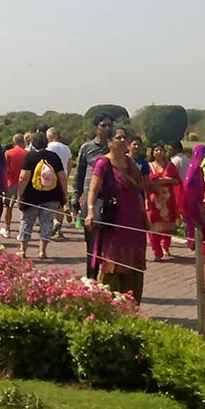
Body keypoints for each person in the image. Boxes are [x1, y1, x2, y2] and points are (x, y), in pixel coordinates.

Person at [84, 126, 148, 302]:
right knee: (113, 262)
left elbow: (137, 191)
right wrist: (90, 212)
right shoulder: (103, 163)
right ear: (109, 142)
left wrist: (144, 215)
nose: (122, 140)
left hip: (133, 221)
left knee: (133, 263)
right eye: (118, 138)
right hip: (114, 221)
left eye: (124, 137)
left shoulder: (130, 163)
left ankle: (131, 304)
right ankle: (108, 303)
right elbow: (93, 190)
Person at [73, 114, 113, 280]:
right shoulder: (87, 148)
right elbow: (79, 174)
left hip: (110, 202)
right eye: (104, 125)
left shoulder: (114, 148)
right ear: (96, 128)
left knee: (110, 245)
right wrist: (75, 198)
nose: (107, 128)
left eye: (110, 125)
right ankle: (91, 280)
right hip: (90, 201)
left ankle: (107, 280)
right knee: (92, 245)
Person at [17, 132, 68, 259]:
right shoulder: (54, 157)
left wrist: (20, 195)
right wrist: (64, 194)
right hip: (52, 195)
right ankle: (42, 251)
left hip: (32, 196)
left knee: (27, 221)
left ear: (33, 144)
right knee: (47, 222)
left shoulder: (30, 156)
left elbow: (23, 177)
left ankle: (23, 250)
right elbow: (62, 177)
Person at [146, 143, 182, 261]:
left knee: (167, 226)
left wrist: (167, 180)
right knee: (152, 225)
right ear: (152, 153)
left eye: (161, 150)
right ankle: (157, 251)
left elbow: (177, 181)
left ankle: (165, 246)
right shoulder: (148, 166)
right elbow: (145, 181)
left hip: (168, 200)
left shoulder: (170, 166)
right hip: (153, 201)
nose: (158, 152)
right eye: (156, 150)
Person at [46, 127, 74, 240]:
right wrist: (66, 175)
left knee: (48, 202)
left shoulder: (48, 147)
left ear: (50, 136)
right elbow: (70, 163)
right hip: (63, 176)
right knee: (60, 204)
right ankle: (59, 229)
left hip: (50, 177)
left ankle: (54, 222)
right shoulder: (66, 148)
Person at [0, 134, 29, 238]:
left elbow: (4, 169)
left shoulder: (8, 153)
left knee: (9, 208)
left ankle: (7, 229)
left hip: (11, 182)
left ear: (14, 142)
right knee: (24, 209)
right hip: (24, 183)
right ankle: (22, 231)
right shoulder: (27, 153)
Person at [182, 144, 205, 254]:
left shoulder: (192, 167)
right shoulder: (199, 167)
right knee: (200, 223)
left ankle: (195, 243)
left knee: (194, 223)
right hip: (196, 200)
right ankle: (200, 245)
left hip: (190, 200)